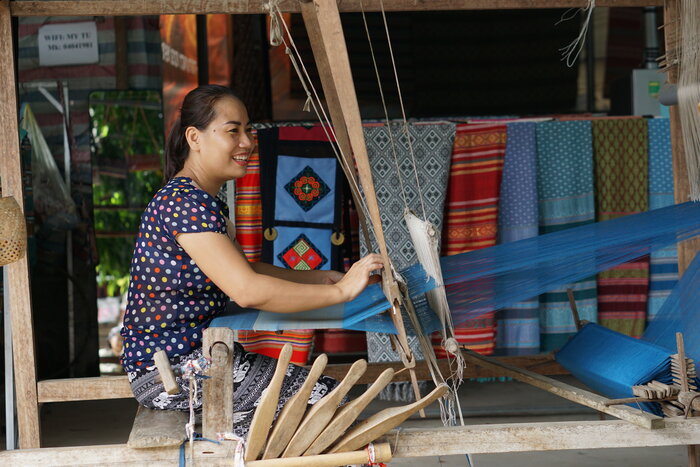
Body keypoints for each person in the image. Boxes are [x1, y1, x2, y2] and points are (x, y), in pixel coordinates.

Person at [120, 84, 383, 437]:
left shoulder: (196, 200)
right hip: (175, 372)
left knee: (330, 411)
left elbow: (244, 270)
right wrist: (342, 293)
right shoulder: (185, 205)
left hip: (201, 360)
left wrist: (322, 278)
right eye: (233, 131)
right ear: (195, 138)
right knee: (337, 410)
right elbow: (246, 289)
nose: (247, 142)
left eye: (248, 130)